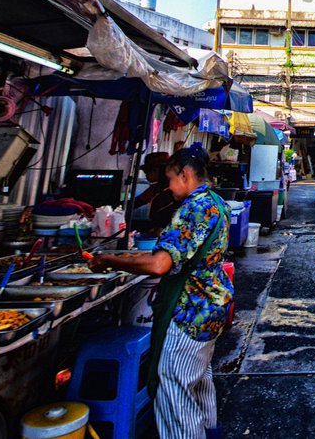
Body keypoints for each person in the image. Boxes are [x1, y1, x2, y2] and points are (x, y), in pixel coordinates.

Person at [89, 148, 232, 439]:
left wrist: (109, 260)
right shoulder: (216, 201)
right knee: (200, 381)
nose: (168, 188)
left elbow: (159, 265)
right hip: (211, 307)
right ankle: (209, 432)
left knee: (175, 389)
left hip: (190, 311)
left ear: (185, 174)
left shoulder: (193, 208)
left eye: (170, 179)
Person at [133, 151, 179, 233]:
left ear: (158, 170)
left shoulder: (172, 189)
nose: (146, 174)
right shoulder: (156, 188)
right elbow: (136, 202)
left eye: (147, 171)